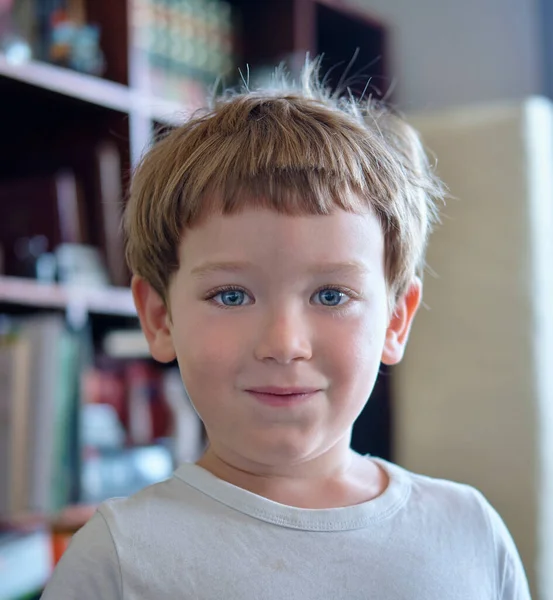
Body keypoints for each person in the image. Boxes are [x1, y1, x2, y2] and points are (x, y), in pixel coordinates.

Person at [42, 60, 531, 599]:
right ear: (160, 318)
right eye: (231, 295)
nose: (284, 344)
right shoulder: (115, 559)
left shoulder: (470, 533)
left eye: (331, 296)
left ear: (395, 320)